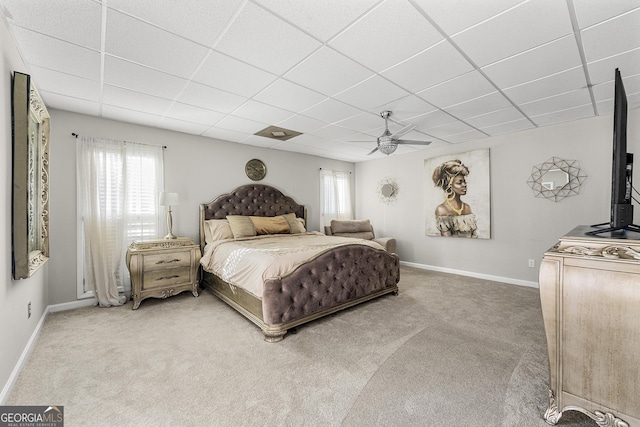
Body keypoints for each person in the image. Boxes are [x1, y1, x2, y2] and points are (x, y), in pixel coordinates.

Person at [432, 159, 478, 238]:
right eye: (459, 182)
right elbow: (447, 240)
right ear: (450, 185)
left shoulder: (467, 207)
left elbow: (474, 236)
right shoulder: (442, 209)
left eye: (464, 182)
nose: (464, 185)